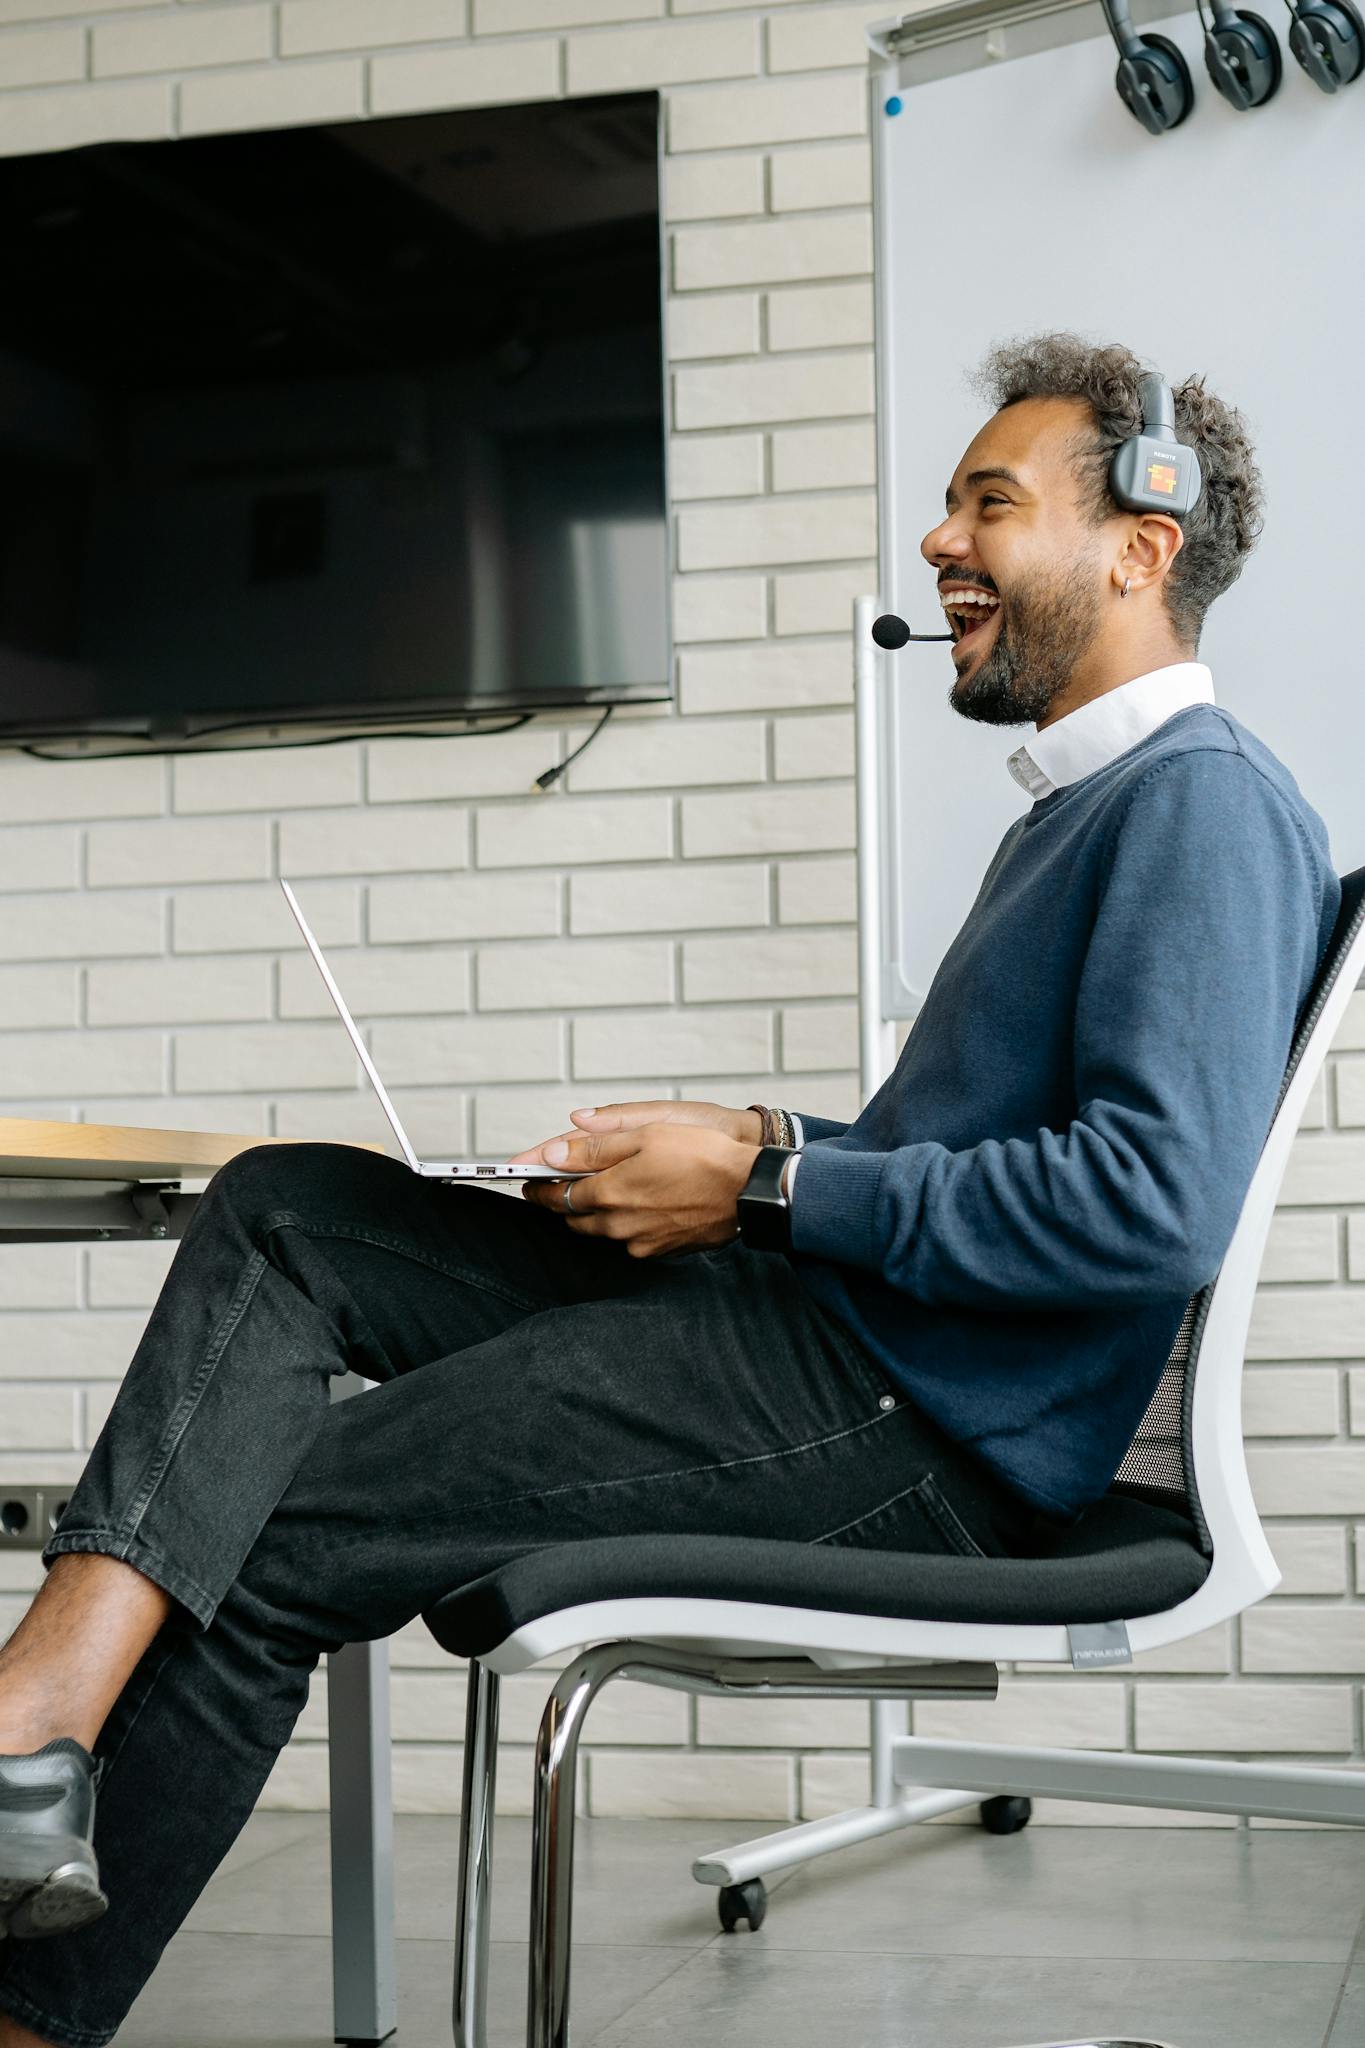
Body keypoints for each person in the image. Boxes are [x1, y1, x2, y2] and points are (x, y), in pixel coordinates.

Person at [0, 331, 1338, 2048]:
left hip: (900, 1419)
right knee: (286, 1208)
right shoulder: (1077, 814)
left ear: (1140, 544)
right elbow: (977, 1155)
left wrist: (768, 1187)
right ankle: (38, 1718)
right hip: (820, 1331)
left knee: (272, 1526)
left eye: (987, 505)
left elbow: (1143, 1207)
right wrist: (752, 1142)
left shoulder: (1203, 811)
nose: (938, 544)